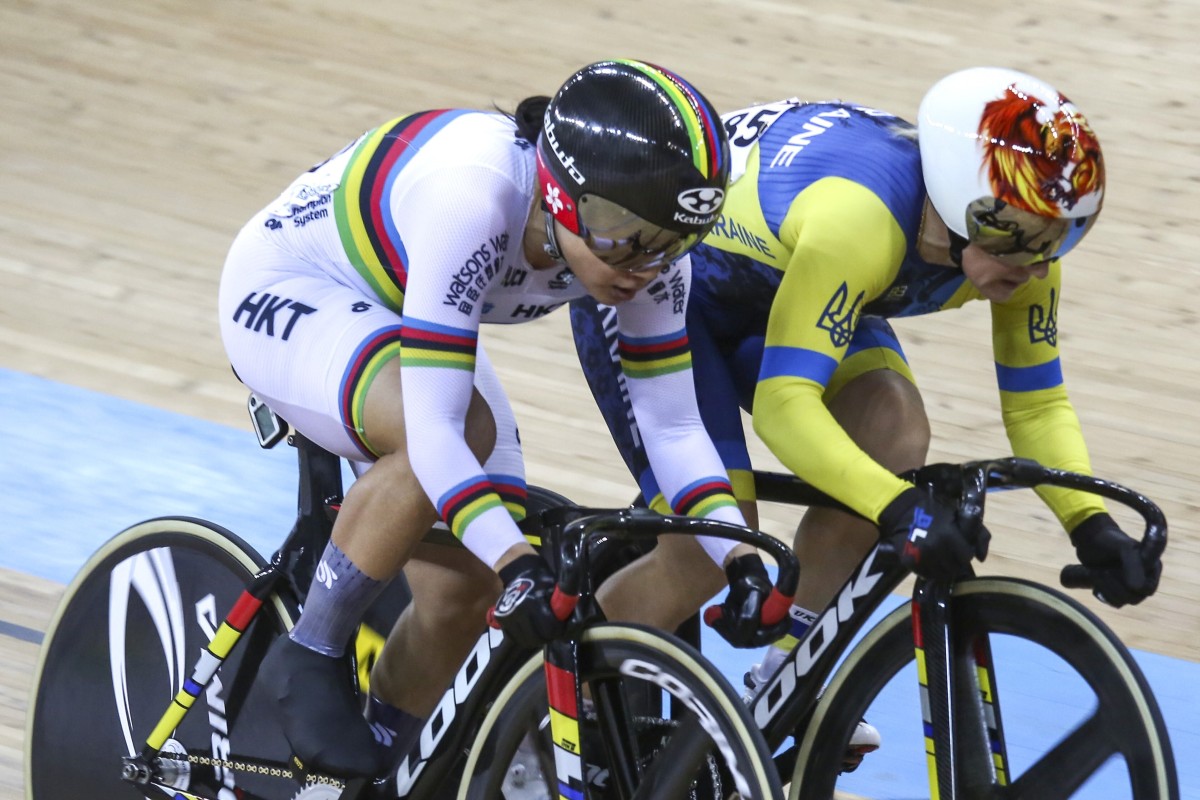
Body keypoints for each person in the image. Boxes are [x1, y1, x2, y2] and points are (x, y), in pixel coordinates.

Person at [218, 58, 790, 778]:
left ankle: (374, 779)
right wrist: (521, 564)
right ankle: (312, 650)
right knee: (468, 445)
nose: (644, 265)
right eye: (621, 234)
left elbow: (674, 430)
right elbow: (435, 431)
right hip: (295, 289)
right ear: (559, 192)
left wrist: (738, 558)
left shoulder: (647, 254)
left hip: (407, 307)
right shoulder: (476, 195)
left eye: (672, 241)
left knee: (468, 591)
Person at [572, 66, 1163, 748]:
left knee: (893, 425)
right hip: (672, 295)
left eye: (1061, 237)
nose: (1037, 264)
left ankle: (790, 669)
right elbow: (785, 408)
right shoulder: (864, 220)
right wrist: (897, 509)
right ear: (955, 200)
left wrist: (1091, 524)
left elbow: (1037, 406)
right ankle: (547, 712)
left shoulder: (1022, 248)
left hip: (788, 289)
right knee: (712, 553)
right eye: (1021, 237)